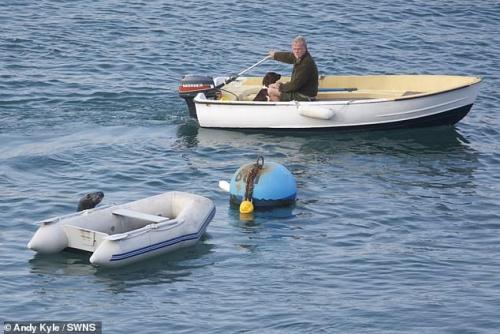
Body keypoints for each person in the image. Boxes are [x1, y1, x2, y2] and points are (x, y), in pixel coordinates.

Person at [267, 36, 318, 102]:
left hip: (305, 96)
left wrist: (280, 86)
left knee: (271, 91)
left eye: (299, 49)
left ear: (305, 48)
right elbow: (289, 57)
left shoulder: (306, 63)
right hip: (300, 91)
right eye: (294, 49)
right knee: (273, 86)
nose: (296, 51)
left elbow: (294, 85)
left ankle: (280, 109)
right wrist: (275, 55)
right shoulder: (301, 56)